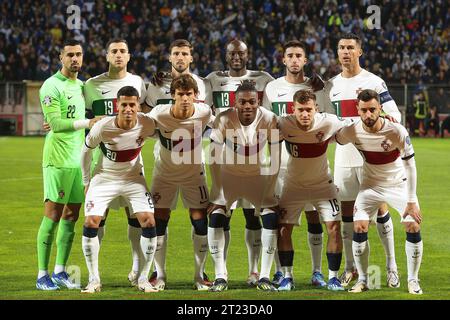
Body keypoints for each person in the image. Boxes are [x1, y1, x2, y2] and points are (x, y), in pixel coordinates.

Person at [324, 33, 402, 288]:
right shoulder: (330, 85)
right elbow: (326, 122)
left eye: (350, 48)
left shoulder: (374, 81)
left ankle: (392, 265)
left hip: (371, 159)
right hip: (344, 159)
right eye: (341, 48)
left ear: (360, 52)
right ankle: (350, 268)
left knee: (380, 209)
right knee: (347, 213)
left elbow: (394, 115)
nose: (345, 52)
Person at [335, 89, 423, 295]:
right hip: (370, 186)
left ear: (380, 109)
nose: (368, 115)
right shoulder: (353, 130)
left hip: (397, 184)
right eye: (363, 110)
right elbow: (336, 137)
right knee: (359, 226)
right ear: (357, 110)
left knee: (413, 225)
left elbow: (411, 165)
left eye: (372, 109)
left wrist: (411, 200)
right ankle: (363, 280)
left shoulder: (396, 131)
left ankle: (413, 280)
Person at [143, 39, 212, 286]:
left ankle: (200, 274)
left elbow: (221, 124)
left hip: (195, 171)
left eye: (189, 95)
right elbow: (141, 126)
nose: (185, 98)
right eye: (180, 94)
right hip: (165, 171)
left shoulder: (204, 109)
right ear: (172, 95)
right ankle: (158, 274)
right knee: (159, 219)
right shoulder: (157, 110)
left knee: (200, 220)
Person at [206, 39, 274, 286]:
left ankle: (255, 271)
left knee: (254, 218)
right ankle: (220, 274)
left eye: (241, 53)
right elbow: (190, 90)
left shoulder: (264, 79)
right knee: (219, 218)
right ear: (225, 56)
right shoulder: (212, 79)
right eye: (232, 53)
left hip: (257, 168)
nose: (236, 57)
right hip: (228, 168)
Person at [36, 39, 101, 290]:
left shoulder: (83, 87)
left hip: (80, 159)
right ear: (60, 58)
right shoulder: (50, 85)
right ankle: (42, 274)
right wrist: (87, 123)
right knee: (52, 215)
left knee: (71, 216)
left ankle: (60, 271)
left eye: (79, 55)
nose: (75, 59)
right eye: (70, 55)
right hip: (58, 158)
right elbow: (57, 123)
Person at [263, 40, 328, 287]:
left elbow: (326, 122)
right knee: (282, 221)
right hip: (280, 165)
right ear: (283, 60)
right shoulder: (272, 87)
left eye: (298, 55)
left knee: (314, 218)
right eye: (289, 55)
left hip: (311, 166)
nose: (294, 59)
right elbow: (266, 123)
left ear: (305, 60)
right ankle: (282, 272)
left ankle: (317, 271)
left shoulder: (317, 88)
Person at [80, 86, 157, 293]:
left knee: (149, 221)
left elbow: (165, 134)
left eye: (133, 104)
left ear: (138, 105)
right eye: (124, 105)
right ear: (117, 105)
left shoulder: (147, 123)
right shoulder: (103, 127)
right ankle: (94, 279)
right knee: (91, 221)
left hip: (133, 179)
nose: (129, 109)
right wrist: (86, 181)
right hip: (104, 178)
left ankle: (143, 278)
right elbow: (85, 152)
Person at [83, 38, 148, 286]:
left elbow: (144, 116)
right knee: (100, 216)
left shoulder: (136, 83)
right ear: (107, 55)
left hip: (132, 163)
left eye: (123, 51)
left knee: (135, 217)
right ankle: (94, 276)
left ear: (129, 56)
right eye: (114, 51)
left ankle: (135, 270)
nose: (118, 55)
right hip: (104, 162)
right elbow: (85, 118)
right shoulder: (91, 85)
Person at [277, 89, 346, 291]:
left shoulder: (329, 121)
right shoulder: (283, 122)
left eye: (309, 109)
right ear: (293, 109)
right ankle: (287, 277)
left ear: (316, 108)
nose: (305, 114)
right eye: (301, 110)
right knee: (283, 230)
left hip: (323, 185)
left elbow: (353, 125)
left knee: (334, 227)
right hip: (293, 186)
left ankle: (333, 278)